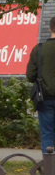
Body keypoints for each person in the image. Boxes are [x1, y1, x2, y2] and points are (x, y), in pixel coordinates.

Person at [25, 19, 55, 152]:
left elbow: (30, 76)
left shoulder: (39, 49)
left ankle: (49, 170)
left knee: (47, 135)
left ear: (50, 29)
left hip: (45, 98)